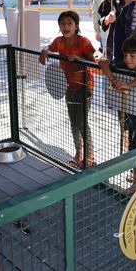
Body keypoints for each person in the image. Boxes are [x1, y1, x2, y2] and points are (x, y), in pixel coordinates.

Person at [99, 36, 136, 192]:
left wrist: (128, 85)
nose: (127, 59)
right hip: (131, 117)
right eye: (125, 55)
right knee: (134, 151)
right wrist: (113, 79)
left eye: (132, 56)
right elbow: (103, 62)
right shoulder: (121, 64)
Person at [39, 11, 96, 169]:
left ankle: (89, 156)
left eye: (69, 23)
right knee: (73, 123)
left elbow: (95, 62)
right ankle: (78, 153)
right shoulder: (59, 41)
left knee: (82, 122)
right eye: (62, 23)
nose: (65, 26)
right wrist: (45, 51)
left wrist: (79, 59)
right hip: (68, 86)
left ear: (76, 25)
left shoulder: (84, 42)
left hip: (85, 87)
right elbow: (49, 48)